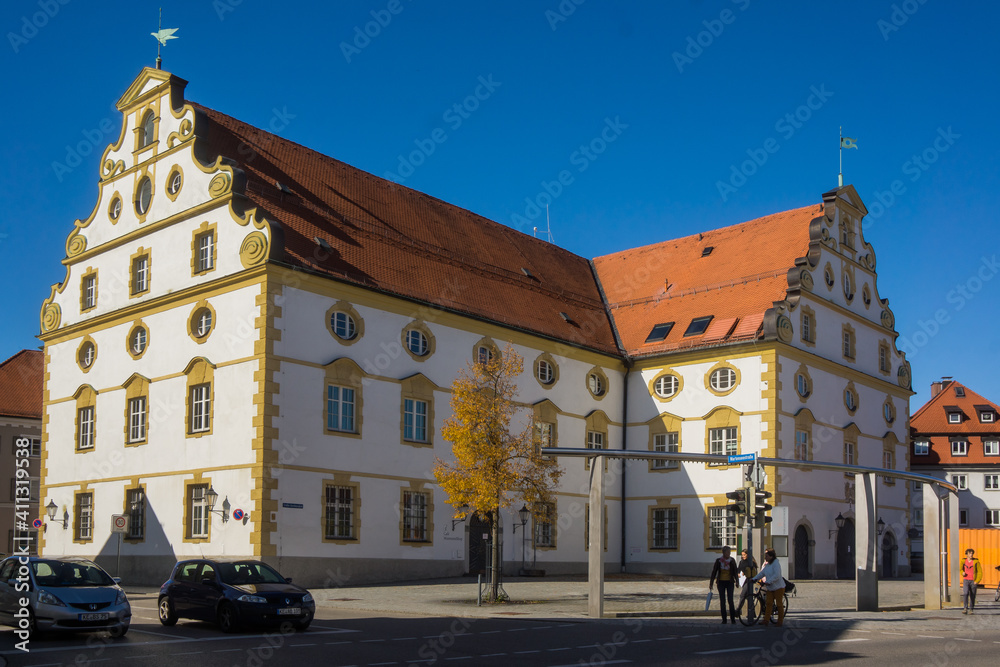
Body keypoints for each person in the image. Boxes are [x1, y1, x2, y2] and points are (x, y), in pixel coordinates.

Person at [752, 548, 785, 627]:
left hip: (778, 587)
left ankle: (780, 621)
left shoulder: (776, 564)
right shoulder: (768, 565)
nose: (765, 557)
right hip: (770, 587)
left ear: (771, 556)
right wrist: (754, 579)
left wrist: (768, 581)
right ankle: (766, 620)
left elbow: (777, 575)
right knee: (769, 603)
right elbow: (762, 573)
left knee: (779, 604)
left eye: (767, 556)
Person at [709, 546, 739, 624]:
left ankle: (733, 619)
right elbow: (714, 572)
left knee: (730, 600)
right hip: (721, 582)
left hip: (730, 582)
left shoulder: (732, 561)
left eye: (729, 552)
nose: (729, 554)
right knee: (722, 601)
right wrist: (711, 583)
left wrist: (737, 581)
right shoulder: (719, 561)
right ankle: (724, 619)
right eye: (727, 552)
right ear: (723, 553)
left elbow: (735, 571)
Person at [735, 548, 758, 616]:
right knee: (748, 597)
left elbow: (753, 572)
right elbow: (738, 569)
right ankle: (753, 613)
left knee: (742, 595)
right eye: (742, 555)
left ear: (748, 555)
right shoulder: (741, 562)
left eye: (744, 555)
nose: (743, 556)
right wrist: (738, 573)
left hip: (749, 581)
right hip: (743, 581)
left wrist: (745, 573)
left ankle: (738, 610)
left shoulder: (751, 562)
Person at [961, 548, 983, 614]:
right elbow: (960, 569)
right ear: (967, 554)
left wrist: (977, 581)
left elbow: (980, 572)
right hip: (966, 580)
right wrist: (962, 572)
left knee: (972, 595)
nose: (971, 555)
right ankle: (965, 608)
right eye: (970, 553)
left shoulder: (976, 562)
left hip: (973, 581)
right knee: (965, 593)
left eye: (972, 553)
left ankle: (971, 609)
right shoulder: (963, 561)